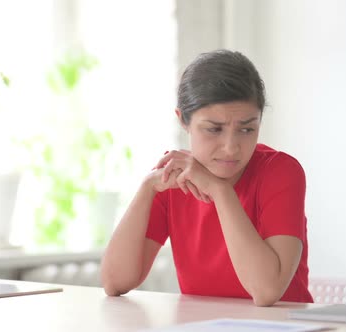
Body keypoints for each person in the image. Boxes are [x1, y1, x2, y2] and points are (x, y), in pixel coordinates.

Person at [100, 49, 313, 306]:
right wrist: (147, 188)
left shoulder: (281, 172)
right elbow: (115, 282)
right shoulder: (174, 177)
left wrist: (221, 191)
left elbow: (266, 291)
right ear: (183, 120)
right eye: (214, 129)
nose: (231, 147)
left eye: (247, 129)